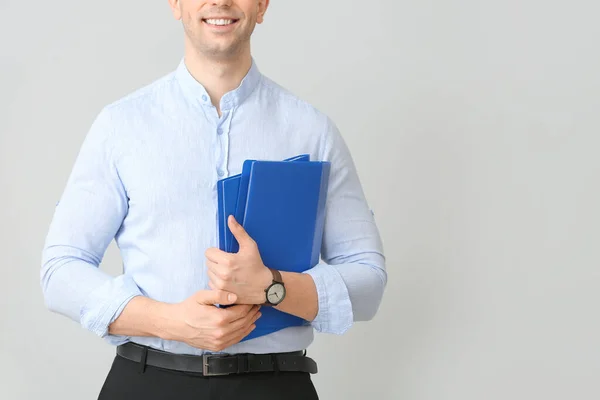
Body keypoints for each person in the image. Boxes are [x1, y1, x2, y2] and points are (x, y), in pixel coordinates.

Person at [40, 0, 387, 399]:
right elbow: (60, 271)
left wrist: (273, 287)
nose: (220, 1)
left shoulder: (312, 131)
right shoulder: (121, 126)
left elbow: (369, 282)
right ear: (175, 4)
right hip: (147, 384)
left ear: (261, 6)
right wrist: (169, 322)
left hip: (276, 386)